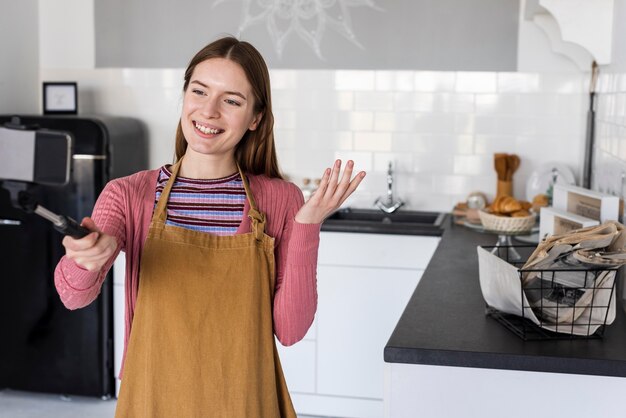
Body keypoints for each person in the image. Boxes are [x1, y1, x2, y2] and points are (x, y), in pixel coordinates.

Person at [54, 36, 365, 417]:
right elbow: (73, 296)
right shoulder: (128, 194)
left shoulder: (281, 200)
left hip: (245, 400)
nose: (209, 110)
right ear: (185, 96)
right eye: (199, 92)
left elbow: (290, 330)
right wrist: (85, 261)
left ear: (255, 118)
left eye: (231, 100)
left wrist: (308, 226)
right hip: (155, 399)